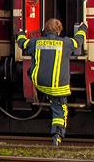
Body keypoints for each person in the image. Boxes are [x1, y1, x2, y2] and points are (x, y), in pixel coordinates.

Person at [17, 18, 88, 146]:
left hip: (40, 83)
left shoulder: (35, 42)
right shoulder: (66, 43)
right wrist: (83, 28)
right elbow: (78, 41)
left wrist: (21, 33)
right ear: (60, 31)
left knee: (53, 99)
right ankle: (57, 137)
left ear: (45, 30)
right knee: (59, 109)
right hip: (58, 86)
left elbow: (22, 43)